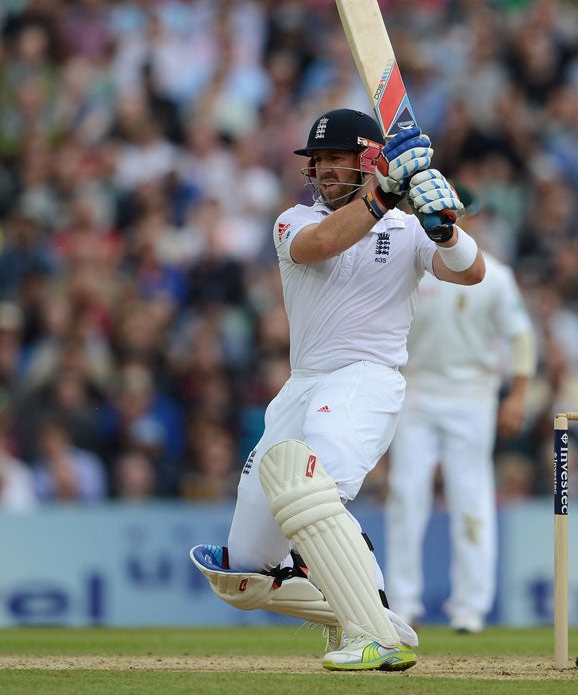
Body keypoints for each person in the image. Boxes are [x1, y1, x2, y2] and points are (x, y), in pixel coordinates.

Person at [189, 108, 484, 672]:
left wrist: (444, 226)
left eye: (337, 158)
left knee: (311, 490)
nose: (324, 168)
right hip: (301, 387)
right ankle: (366, 608)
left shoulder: (407, 228)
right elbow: (321, 244)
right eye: (317, 159)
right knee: (242, 574)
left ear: (368, 160)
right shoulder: (292, 221)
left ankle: (373, 637)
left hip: (365, 379)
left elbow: (470, 273)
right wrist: (383, 195)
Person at [385, 186, 536, 633]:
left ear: (467, 216)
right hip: (416, 391)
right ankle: (401, 603)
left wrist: (519, 393)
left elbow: (520, 335)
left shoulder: (494, 274)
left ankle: (469, 607)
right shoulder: (409, 265)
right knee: (405, 495)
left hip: (472, 395)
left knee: (469, 494)